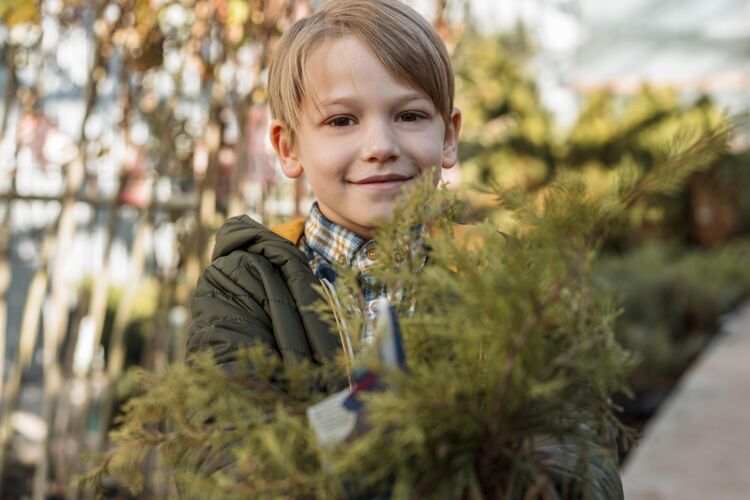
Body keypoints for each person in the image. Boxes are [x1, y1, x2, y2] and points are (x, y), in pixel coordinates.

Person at [186, 1, 623, 497]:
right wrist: (359, 429)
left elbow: (586, 459)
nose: (380, 145)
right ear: (288, 147)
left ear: (449, 138)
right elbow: (221, 464)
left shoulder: (508, 278)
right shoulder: (244, 288)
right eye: (341, 121)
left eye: (410, 115)